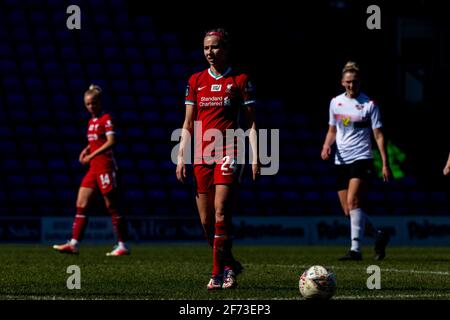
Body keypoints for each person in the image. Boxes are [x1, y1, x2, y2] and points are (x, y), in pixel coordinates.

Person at [176, 28, 259, 289]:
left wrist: (256, 157)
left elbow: (252, 123)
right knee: (206, 221)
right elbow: (188, 123)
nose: (209, 52)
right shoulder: (195, 80)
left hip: (229, 150)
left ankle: (217, 275)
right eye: (205, 48)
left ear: (225, 48)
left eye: (214, 47)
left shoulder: (240, 80)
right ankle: (230, 264)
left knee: (222, 211)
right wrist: (181, 157)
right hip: (201, 153)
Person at [321, 61, 392, 261]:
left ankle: (355, 250)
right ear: (342, 82)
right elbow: (332, 130)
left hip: (361, 157)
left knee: (354, 202)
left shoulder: (369, 104)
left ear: (360, 82)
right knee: (348, 211)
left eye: (355, 82)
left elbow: (379, 135)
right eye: (348, 82)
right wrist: (327, 145)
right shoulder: (335, 102)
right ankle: (379, 236)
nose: (352, 85)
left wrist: (385, 163)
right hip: (341, 159)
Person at [53, 84, 130, 256]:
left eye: (93, 103)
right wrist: (86, 150)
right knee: (81, 203)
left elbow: (110, 141)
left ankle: (123, 245)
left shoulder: (106, 119)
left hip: (105, 166)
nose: (90, 107)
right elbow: (96, 140)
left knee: (112, 206)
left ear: (99, 102)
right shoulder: (91, 121)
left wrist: (91, 154)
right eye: (87, 104)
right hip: (93, 168)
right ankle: (74, 244)